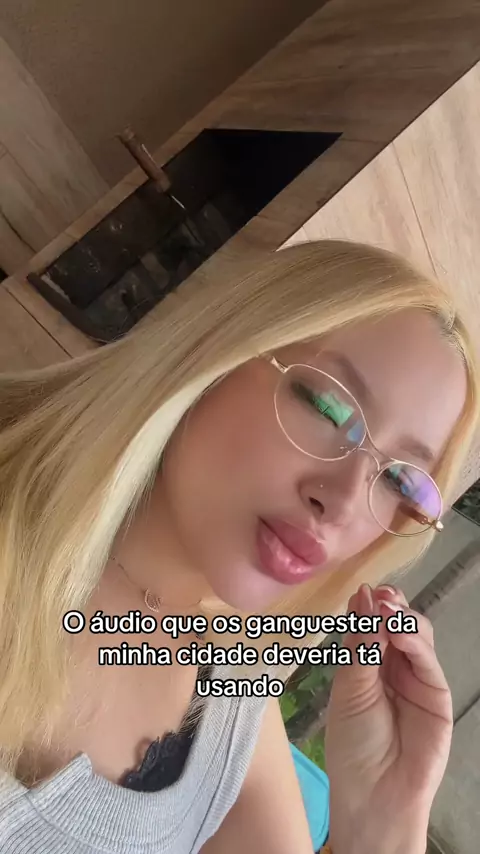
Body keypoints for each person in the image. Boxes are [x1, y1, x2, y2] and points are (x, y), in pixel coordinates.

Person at [0, 239, 478, 854]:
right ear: (220, 347)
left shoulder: (231, 686)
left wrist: (382, 821)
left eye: (399, 482)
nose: (343, 501)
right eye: (328, 408)